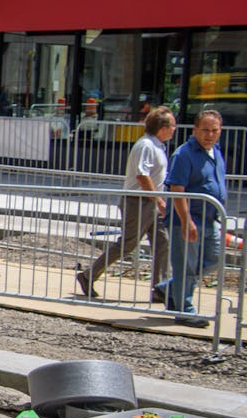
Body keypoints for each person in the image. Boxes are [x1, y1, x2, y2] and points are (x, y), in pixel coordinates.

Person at [76, 106, 175, 301]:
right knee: (127, 244)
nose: (174, 129)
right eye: (172, 125)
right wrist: (158, 200)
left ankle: (160, 289)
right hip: (139, 202)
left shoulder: (157, 146)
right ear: (162, 127)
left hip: (151, 201)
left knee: (163, 243)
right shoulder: (146, 145)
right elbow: (141, 175)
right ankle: (89, 275)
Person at [162, 110, 227, 328]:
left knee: (215, 259)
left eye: (214, 130)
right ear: (194, 130)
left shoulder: (215, 152)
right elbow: (177, 189)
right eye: (205, 130)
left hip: (210, 219)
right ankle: (184, 310)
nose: (210, 134)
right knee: (185, 266)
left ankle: (169, 288)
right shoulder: (184, 154)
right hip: (188, 219)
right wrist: (186, 220)